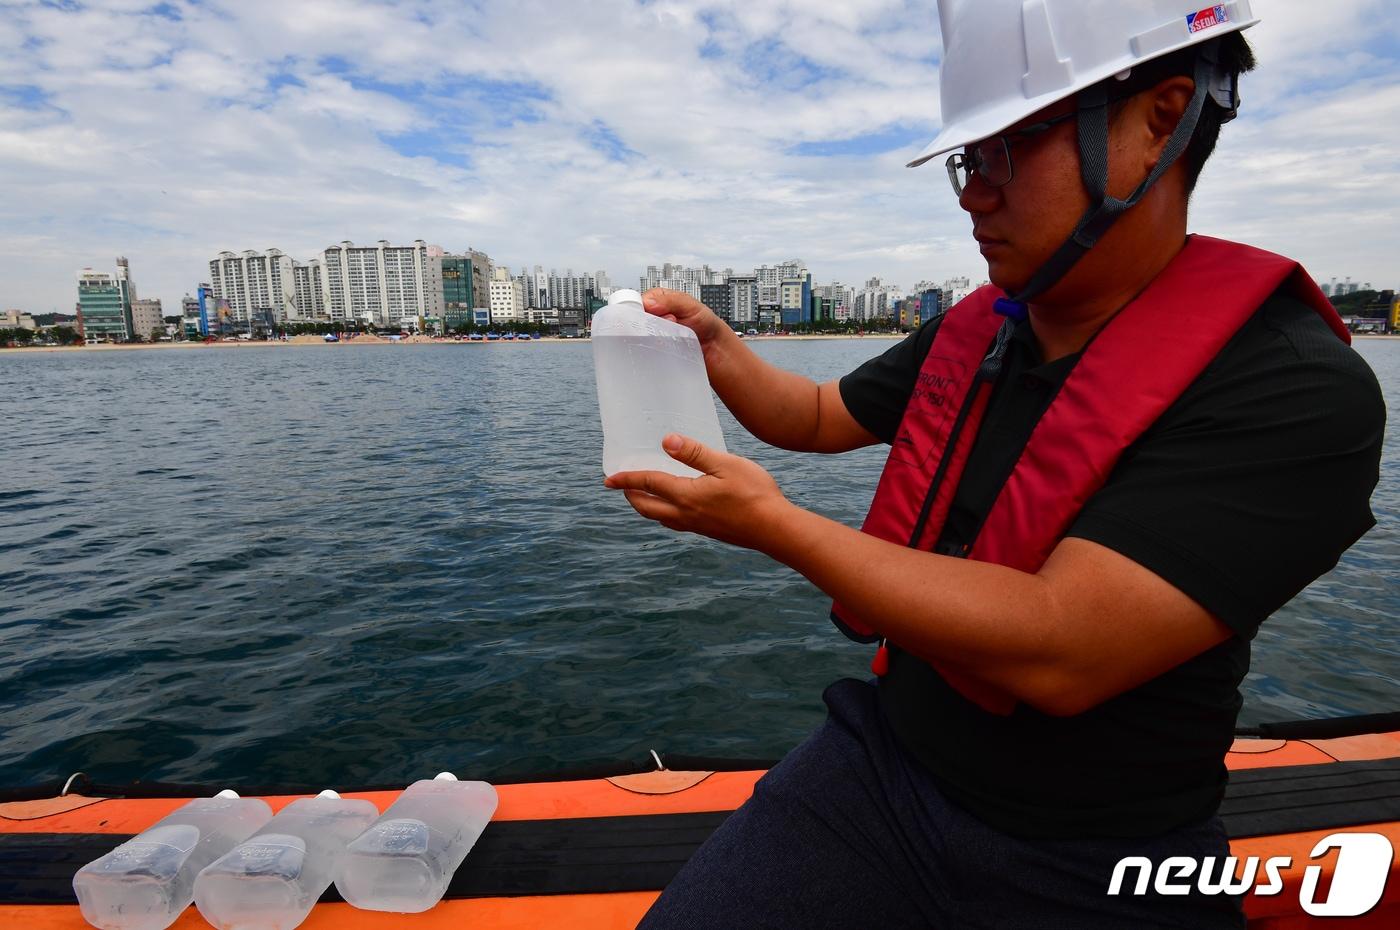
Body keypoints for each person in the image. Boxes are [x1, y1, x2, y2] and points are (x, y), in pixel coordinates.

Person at [607, 2, 1385, 927]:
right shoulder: (984, 330)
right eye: (968, 162)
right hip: (881, 772)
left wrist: (777, 528)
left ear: (1160, 119)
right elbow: (817, 414)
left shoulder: (1289, 387)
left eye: (1007, 150)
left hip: (1105, 850)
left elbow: (1063, 649)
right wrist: (716, 346)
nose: (976, 194)